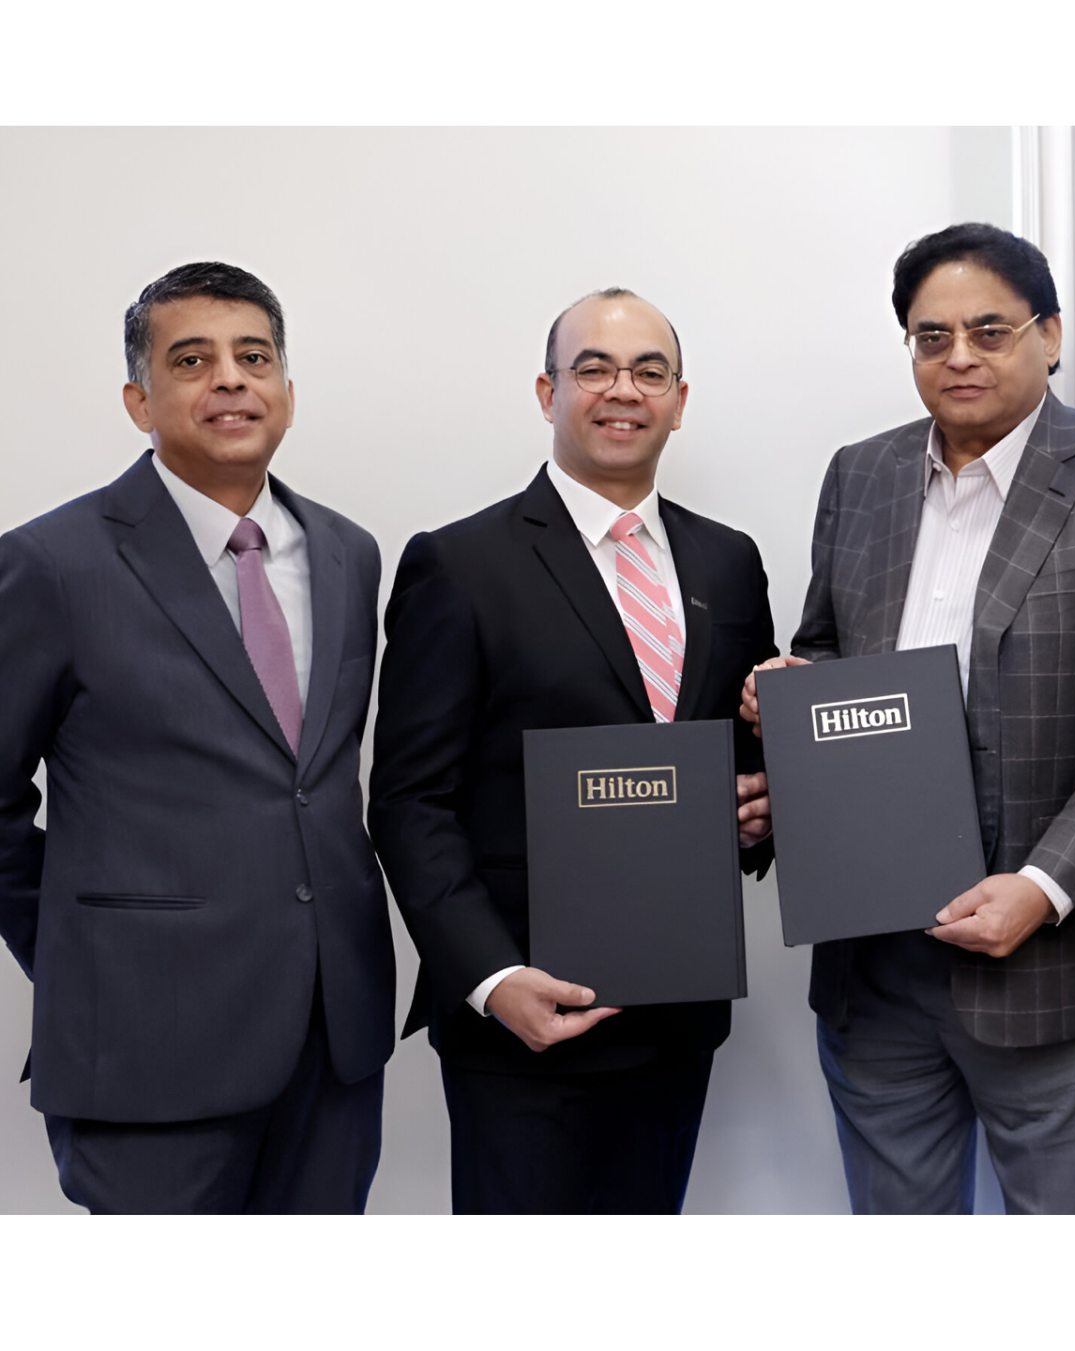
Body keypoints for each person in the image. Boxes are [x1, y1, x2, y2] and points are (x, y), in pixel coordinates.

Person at [738, 223, 1075, 1214]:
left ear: (1051, 335)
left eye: (989, 330)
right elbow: (824, 645)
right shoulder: (859, 475)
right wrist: (786, 683)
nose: (958, 357)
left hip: (1046, 960)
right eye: (930, 335)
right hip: (872, 959)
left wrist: (1042, 887)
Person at [369, 289, 776, 1214]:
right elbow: (407, 800)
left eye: (648, 370)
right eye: (593, 367)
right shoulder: (459, 563)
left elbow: (742, 766)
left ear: (680, 398)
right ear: (547, 392)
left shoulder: (729, 562)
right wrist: (491, 978)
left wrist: (763, 810)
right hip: (521, 1019)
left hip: (676, 1011)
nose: (621, 389)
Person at [0, 262, 395, 1213]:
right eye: (192, 359)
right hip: (143, 1043)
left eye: (253, 356)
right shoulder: (52, 563)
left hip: (332, 1038)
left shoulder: (348, 551)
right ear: (140, 399)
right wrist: (91, 954)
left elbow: (310, 782)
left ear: (287, 393)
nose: (229, 378)